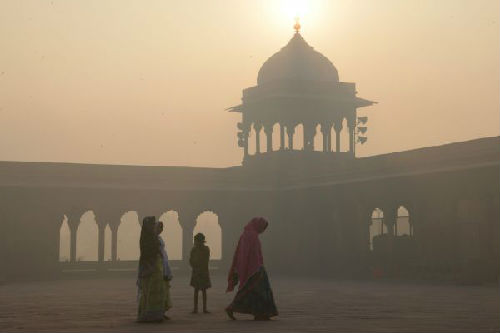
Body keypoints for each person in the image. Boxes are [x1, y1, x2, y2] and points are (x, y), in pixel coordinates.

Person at [225, 217, 278, 321]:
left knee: (254, 291)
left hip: (256, 268)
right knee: (258, 290)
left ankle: (260, 313)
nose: (263, 230)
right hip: (254, 270)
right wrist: (244, 267)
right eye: (263, 228)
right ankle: (234, 308)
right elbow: (244, 253)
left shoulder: (248, 234)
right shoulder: (251, 235)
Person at [136, 216, 166, 323]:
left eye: (153, 224)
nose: (153, 226)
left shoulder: (152, 236)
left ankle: (155, 314)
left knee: (156, 290)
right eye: (151, 224)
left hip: (155, 266)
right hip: (148, 265)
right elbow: (146, 252)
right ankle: (146, 314)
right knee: (147, 291)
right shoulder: (146, 237)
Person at [189, 232, 211, 314]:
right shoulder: (198, 249)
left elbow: (192, 261)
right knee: (198, 290)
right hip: (200, 271)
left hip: (200, 271)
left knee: (201, 290)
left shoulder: (197, 249)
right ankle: (198, 308)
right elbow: (191, 260)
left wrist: (196, 266)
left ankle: (201, 308)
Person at [156, 221, 173, 319]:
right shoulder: (154, 239)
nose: (161, 229)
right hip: (159, 265)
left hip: (163, 264)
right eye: (159, 227)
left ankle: (161, 311)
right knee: (159, 289)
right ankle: (158, 312)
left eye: (162, 228)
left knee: (164, 289)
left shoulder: (158, 238)